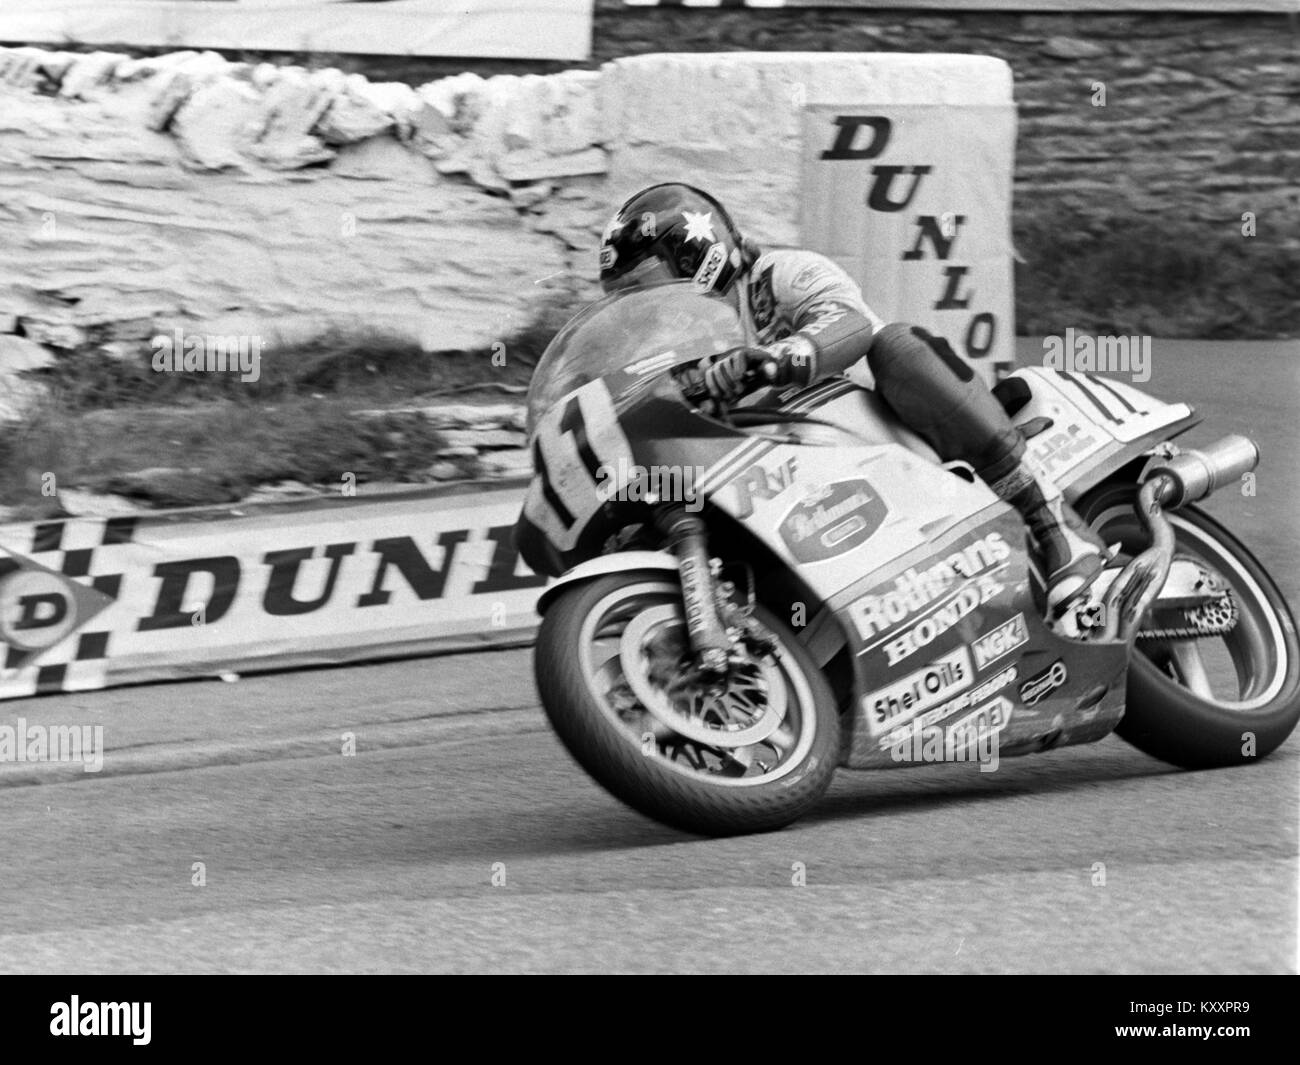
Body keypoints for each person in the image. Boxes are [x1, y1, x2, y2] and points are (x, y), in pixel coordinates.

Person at [598, 182, 1112, 626]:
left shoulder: (778, 274)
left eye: (644, 286)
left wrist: (778, 359)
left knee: (898, 347)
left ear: (695, 253)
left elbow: (848, 321)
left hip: (891, 437)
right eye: (624, 298)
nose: (639, 306)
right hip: (797, 489)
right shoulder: (680, 350)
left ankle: (1057, 527)